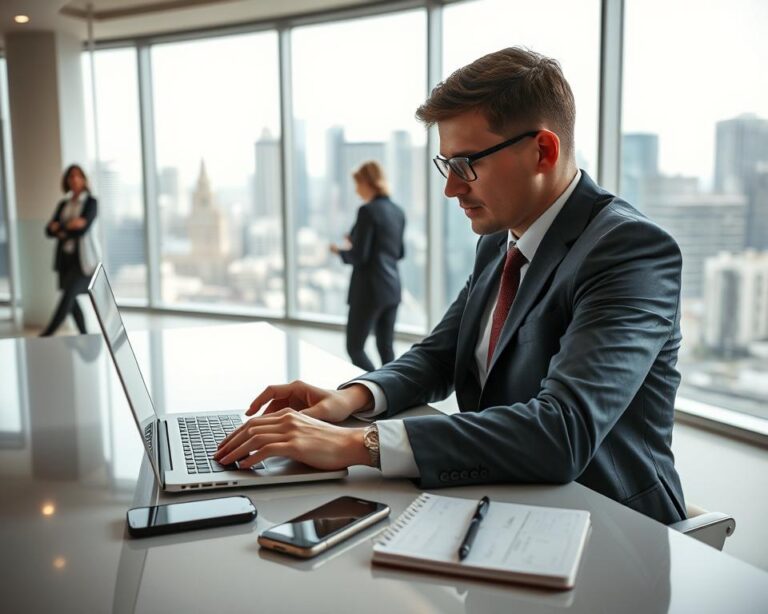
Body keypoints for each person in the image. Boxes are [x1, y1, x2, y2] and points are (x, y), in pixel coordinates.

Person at [216, 47, 686, 525]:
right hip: (502, 505)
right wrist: (349, 400)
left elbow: (562, 431)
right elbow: (440, 354)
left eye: (466, 165)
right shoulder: (499, 241)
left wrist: (359, 443)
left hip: (613, 527)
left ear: (543, 151)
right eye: (447, 166)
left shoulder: (630, 250)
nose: (451, 189)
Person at [330, 161, 406, 371]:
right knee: (386, 349)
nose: (356, 190)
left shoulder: (367, 211)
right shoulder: (398, 211)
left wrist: (339, 251)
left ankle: (373, 386)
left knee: (355, 348)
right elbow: (399, 252)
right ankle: (392, 387)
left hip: (369, 291)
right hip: (392, 289)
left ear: (367, 182)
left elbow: (359, 256)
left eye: (358, 184)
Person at [40, 164, 100, 337]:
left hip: (83, 260)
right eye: (70, 176)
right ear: (66, 180)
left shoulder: (91, 202)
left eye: (78, 176)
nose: (74, 179)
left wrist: (60, 227)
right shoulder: (63, 204)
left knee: (68, 296)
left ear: (84, 179)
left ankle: (46, 335)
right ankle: (85, 335)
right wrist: (70, 225)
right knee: (71, 299)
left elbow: (82, 229)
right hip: (65, 258)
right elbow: (48, 231)